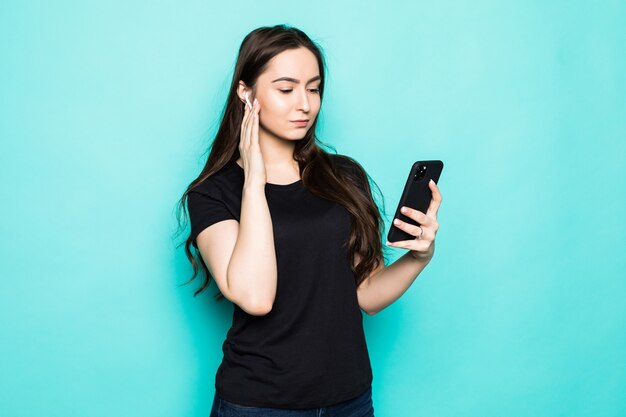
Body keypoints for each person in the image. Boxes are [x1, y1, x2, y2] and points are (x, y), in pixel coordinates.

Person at [177, 24, 442, 417]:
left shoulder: (344, 176)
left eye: (313, 88)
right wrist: (254, 179)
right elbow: (256, 297)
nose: (304, 104)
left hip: (350, 400)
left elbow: (366, 293)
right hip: (258, 405)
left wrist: (420, 257)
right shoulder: (214, 194)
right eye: (286, 89)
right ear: (245, 93)